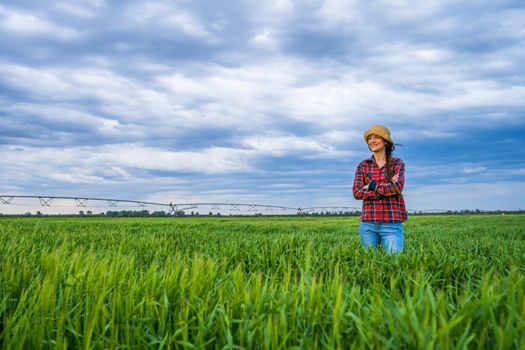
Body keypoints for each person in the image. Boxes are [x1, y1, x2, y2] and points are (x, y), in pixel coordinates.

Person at [352, 125, 407, 254]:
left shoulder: (397, 163)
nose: (372, 141)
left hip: (391, 222)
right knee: (371, 263)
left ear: (386, 141)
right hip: (368, 224)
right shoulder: (363, 165)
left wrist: (370, 186)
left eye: (376, 137)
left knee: (395, 261)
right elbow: (357, 192)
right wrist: (386, 185)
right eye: (369, 138)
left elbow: (397, 187)